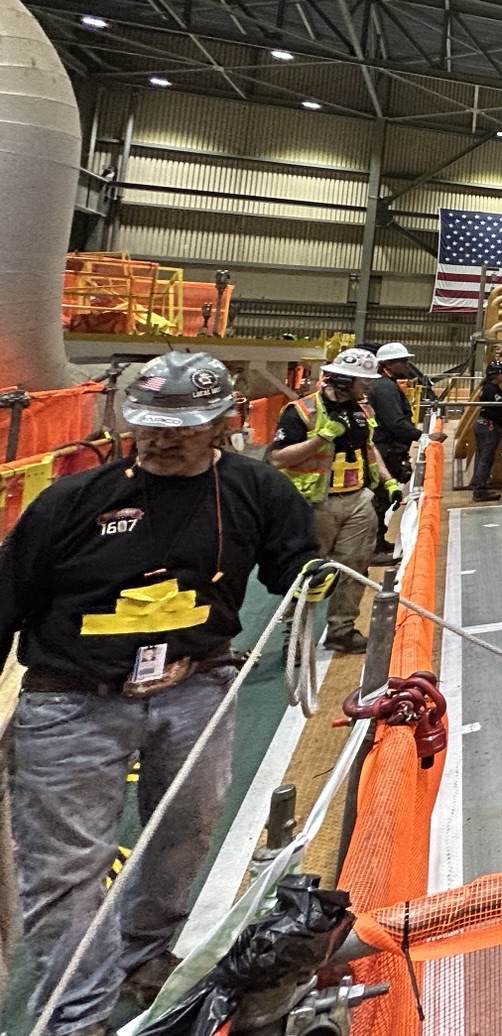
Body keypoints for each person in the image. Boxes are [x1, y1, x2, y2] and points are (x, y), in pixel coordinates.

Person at [1, 351, 318, 1036]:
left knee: (184, 834)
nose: (161, 439)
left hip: (196, 689)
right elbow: (7, 597)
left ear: (222, 423)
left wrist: (318, 572)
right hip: (72, 704)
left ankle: (144, 955)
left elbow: (293, 563)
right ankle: (75, 1016)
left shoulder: (253, 490)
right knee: (66, 869)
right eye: (148, 424)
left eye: (182, 427)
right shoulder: (72, 503)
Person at [266, 348, 401, 653]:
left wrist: (388, 480)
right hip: (315, 504)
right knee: (308, 572)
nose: (369, 386)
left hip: (358, 500)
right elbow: (278, 458)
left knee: (355, 567)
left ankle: (342, 630)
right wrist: (321, 438)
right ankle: (296, 638)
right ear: (343, 381)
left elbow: (369, 449)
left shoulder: (363, 411)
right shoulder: (302, 411)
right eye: (363, 381)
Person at [365, 343, 422, 486]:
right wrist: (422, 436)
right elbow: (395, 422)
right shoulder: (385, 388)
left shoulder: (383, 384)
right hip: (387, 450)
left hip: (386, 448)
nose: (407, 365)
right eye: (403, 361)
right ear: (388, 364)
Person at [470, 360, 502, 503]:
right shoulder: (491, 390)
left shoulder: (489, 388)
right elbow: (499, 408)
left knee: (482, 457)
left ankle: (480, 486)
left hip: (484, 425)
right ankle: (480, 489)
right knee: (485, 458)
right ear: (496, 374)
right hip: (489, 427)